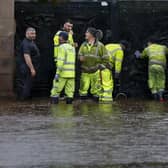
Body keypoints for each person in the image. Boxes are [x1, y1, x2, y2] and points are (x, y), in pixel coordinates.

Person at [78, 27, 108, 102]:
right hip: (85, 71)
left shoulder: (100, 46)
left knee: (96, 91)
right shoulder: (83, 45)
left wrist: (101, 67)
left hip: (96, 72)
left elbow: (106, 58)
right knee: (83, 90)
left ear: (91, 35)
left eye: (87, 32)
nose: (85, 34)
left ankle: (95, 108)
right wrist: (79, 58)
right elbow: (79, 55)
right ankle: (83, 108)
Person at [50, 31, 76, 104]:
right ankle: (69, 110)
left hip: (63, 73)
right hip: (71, 73)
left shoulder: (61, 47)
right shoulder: (72, 48)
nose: (58, 38)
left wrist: (57, 73)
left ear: (61, 38)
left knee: (56, 90)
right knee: (70, 92)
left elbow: (60, 62)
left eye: (59, 37)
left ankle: (54, 108)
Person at [16, 27, 40, 100]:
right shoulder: (26, 43)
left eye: (34, 33)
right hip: (26, 68)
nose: (34, 35)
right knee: (26, 84)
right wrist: (32, 69)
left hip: (28, 67)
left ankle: (25, 98)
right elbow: (27, 56)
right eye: (32, 33)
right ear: (27, 34)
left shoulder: (31, 42)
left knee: (28, 84)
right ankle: (23, 100)